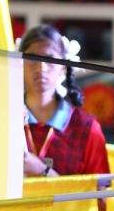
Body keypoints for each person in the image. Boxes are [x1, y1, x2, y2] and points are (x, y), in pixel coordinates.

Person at [20, 25, 109, 179]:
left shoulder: (87, 128)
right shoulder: (5, 121)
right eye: (32, 59)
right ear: (20, 64)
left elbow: (101, 191)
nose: (41, 68)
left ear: (63, 67)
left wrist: (43, 170)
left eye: (50, 59)